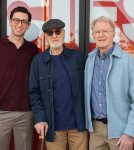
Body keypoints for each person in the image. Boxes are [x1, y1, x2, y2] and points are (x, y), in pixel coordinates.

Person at [29, 19, 88, 150]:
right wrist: (40, 118)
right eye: (50, 33)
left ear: (63, 33)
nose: (54, 36)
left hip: (78, 125)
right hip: (53, 127)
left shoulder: (78, 57)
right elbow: (34, 93)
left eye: (58, 31)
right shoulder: (38, 61)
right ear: (45, 36)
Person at [0, 6, 38, 150]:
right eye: (16, 20)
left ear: (28, 25)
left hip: (26, 113)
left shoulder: (32, 50)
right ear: (10, 21)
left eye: (24, 22)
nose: (19, 24)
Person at [85, 16, 134, 150]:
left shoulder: (127, 61)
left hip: (120, 132)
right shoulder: (90, 60)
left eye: (105, 31)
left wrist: (129, 133)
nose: (101, 35)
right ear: (93, 35)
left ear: (113, 34)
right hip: (96, 131)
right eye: (97, 32)